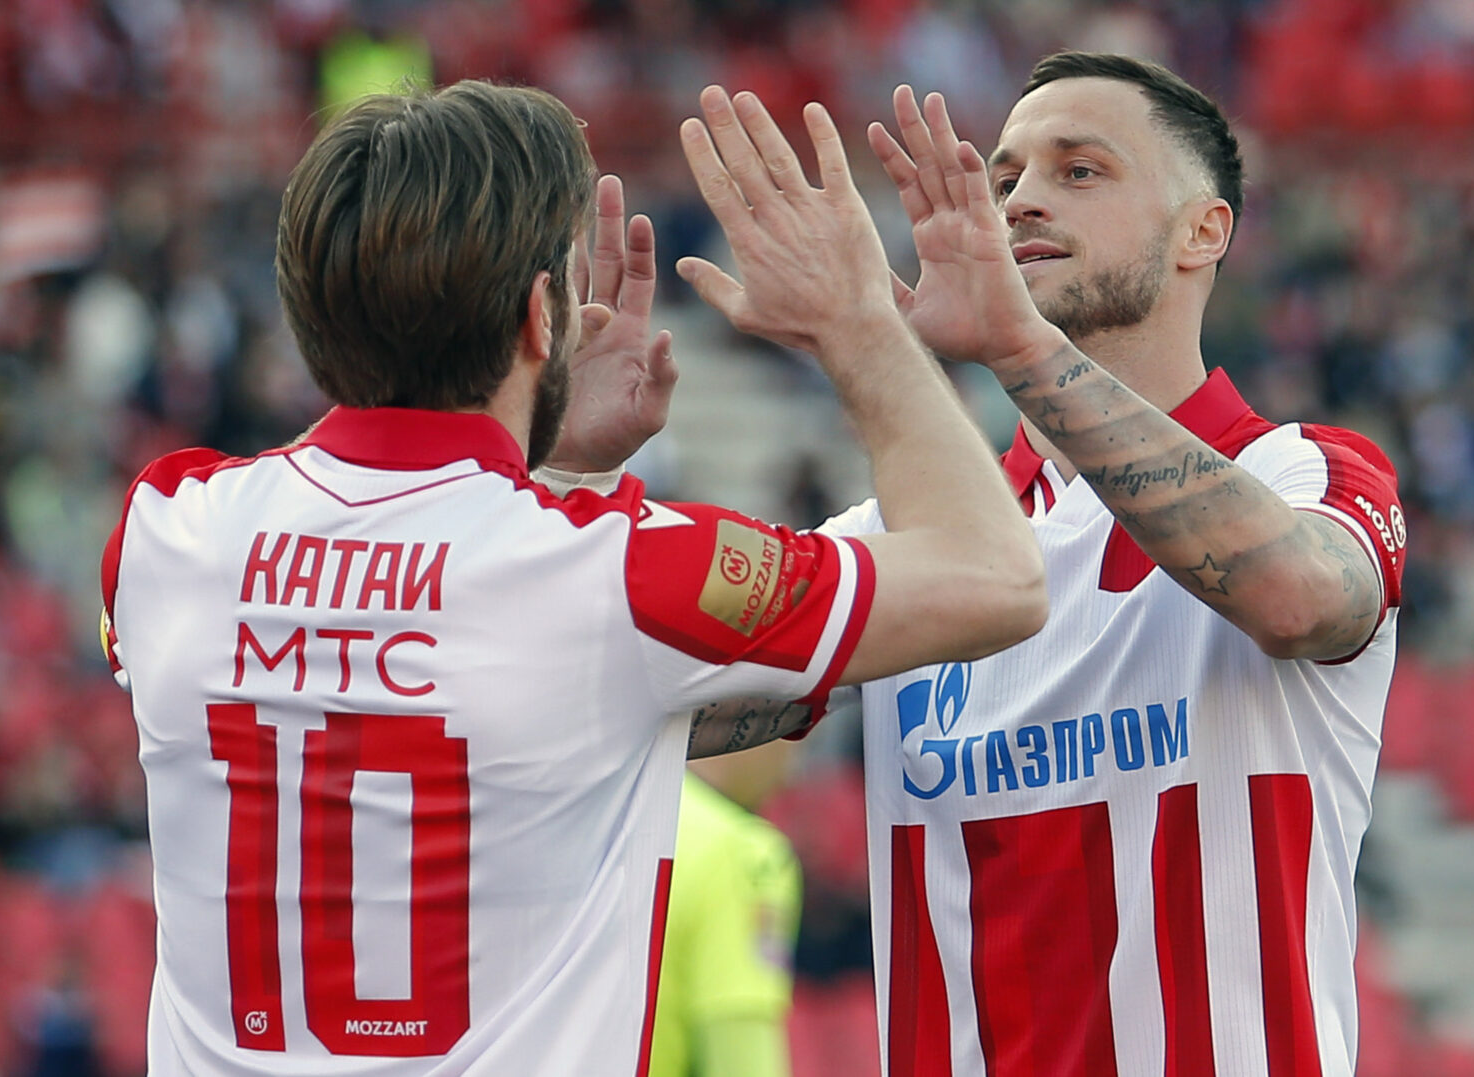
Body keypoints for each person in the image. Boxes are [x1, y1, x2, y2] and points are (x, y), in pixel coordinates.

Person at [98, 80, 1045, 1075]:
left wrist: (550, 457)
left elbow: (378, 606)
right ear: (544, 317)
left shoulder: (164, 532)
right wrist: (858, 320)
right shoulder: (614, 573)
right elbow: (995, 577)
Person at [681, 53, 1406, 1075]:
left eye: (1079, 170)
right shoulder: (913, 540)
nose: (1018, 199)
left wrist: (1012, 347)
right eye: (1006, 172)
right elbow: (664, 713)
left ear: (1204, 231)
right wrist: (564, 465)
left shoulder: (1309, 472)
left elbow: (1297, 600)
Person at [647, 743, 802, 1077]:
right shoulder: (737, 853)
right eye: (799, 723)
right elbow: (740, 1058)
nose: (790, 772)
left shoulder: (592, 821)